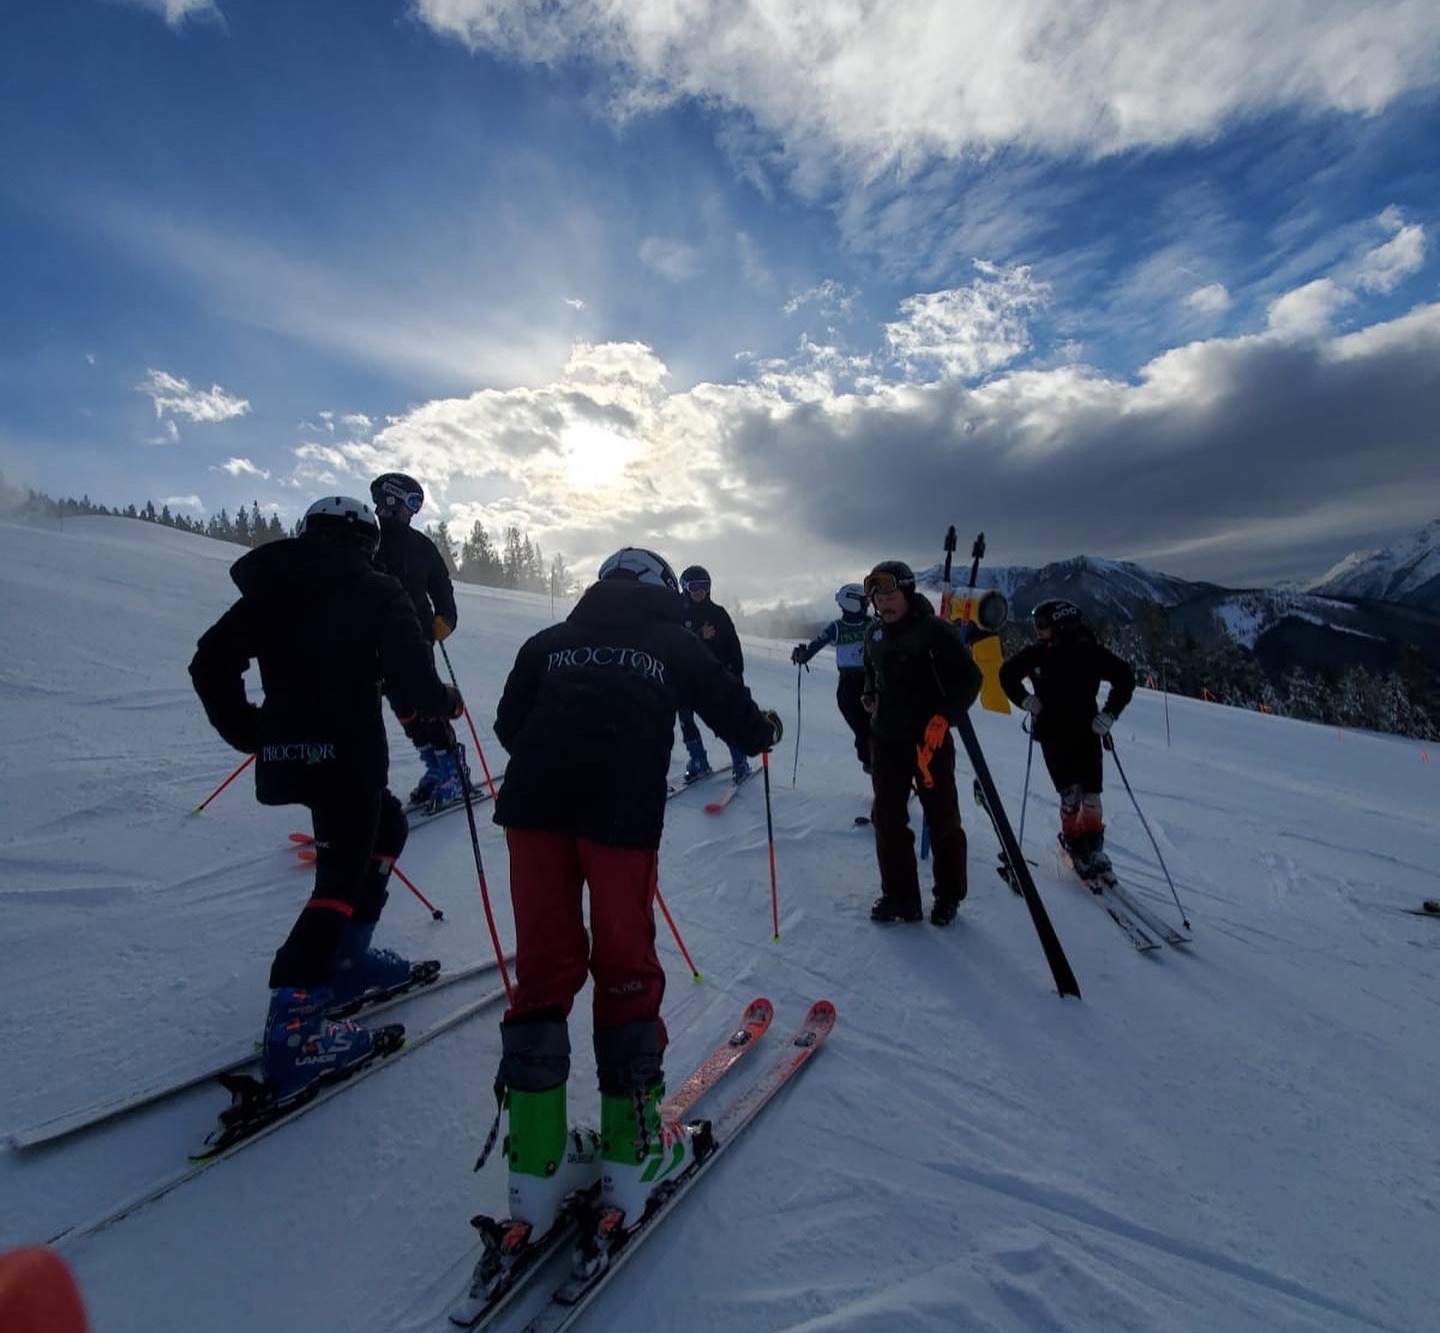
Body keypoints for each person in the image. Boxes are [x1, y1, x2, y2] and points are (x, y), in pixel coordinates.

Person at [488, 547, 782, 1243]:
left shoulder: (550, 640)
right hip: (618, 817)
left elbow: (509, 725)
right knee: (624, 968)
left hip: (532, 812)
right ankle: (633, 1150)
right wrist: (764, 727)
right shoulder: (671, 638)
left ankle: (536, 1165)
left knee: (543, 973)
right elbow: (731, 711)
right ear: (661, 589)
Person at [189, 496, 463, 1099]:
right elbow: (411, 678)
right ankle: (297, 1029)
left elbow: (209, 663)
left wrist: (251, 734)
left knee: (386, 826)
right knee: (339, 879)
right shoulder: (375, 587)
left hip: (288, 757)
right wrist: (442, 703)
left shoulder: (271, 589)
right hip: (346, 752)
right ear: (366, 541)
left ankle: (347, 962)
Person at [861, 560, 982, 926]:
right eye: (877, 596)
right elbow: (872, 671)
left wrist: (944, 717)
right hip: (886, 739)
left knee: (942, 817)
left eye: (891, 593)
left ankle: (948, 895)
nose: (884, 602)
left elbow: (970, 679)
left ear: (908, 591)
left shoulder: (934, 631)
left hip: (928, 743)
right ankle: (901, 897)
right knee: (887, 817)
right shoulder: (874, 634)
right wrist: (870, 694)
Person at [999, 599, 1135, 877]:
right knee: (1070, 793)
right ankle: (1074, 842)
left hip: (1087, 731)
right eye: (1037, 624)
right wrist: (1025, 700)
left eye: (1043, 625)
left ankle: (1093, 845)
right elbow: (1007, 675)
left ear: (1061, 626)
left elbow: (1125, 678)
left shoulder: (1089, 652)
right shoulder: (1038, 654)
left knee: (1092, 793)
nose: (1037, 630)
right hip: (1052, 733)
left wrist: (1110, 714)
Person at [369, 471, 465, 811]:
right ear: (391, 500)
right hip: (372, 639)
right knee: (403, 708)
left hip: (415, 635)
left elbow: (441, 584)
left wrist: (446, 619)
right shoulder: (367, 537)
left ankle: (452, 769)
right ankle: (435, 766)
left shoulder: (419, 545)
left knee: (426, 702)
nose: (414, 511)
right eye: (412, 503)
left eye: (417, 504)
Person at [674, 564, 752, 783]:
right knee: (686, 720)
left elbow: (732, 645)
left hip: (713, 677)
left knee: (723, 720)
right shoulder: (678, 613)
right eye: (693, 586)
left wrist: (736, 674)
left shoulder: (717, 614)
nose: (698, 591)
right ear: (684, 587)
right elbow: (675, 641)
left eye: (703, 586)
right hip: (685, 678)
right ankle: (698, 760)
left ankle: (740, 761)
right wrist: (699, 634)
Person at [791, 582, 872, 772]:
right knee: (863, 730)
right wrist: (803, 655)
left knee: (877, 730)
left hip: (871, 684)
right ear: (851, 602)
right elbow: (816, 644)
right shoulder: (837, 627)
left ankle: (884, 770)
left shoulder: (872, 623)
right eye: (864, 601)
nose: (867, 604)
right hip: (850, 687)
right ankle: (874, 768)